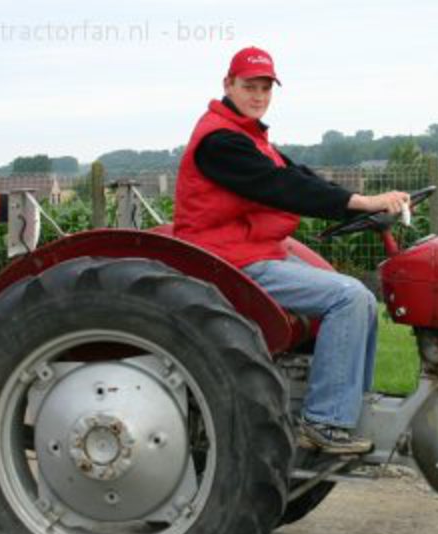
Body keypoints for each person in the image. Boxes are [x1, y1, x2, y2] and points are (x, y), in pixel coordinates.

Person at [174, 46, 409, 455]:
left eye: (266, 87)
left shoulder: (248, 135)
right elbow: (283, 188)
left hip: (255, 249)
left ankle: (353, 404)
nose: (259, 95)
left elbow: (298, 175)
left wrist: (358, 197)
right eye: (250, 86)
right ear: (228, 85)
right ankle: (324, 422)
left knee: (359, 297)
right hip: (226, 259)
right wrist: (363, 203)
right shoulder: (220, 141)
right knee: (349, 296)